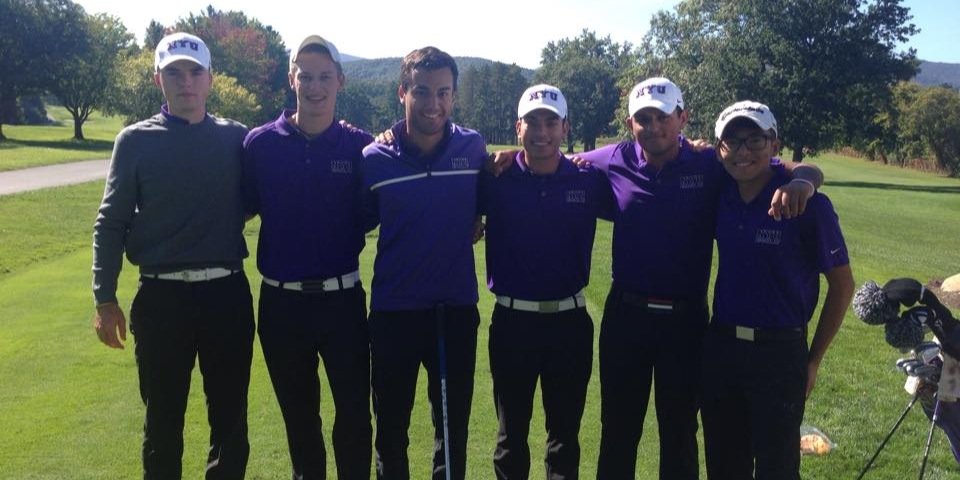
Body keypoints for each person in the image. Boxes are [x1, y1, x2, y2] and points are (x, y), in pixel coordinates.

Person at [574, 77, 823, 480]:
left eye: (663, 117)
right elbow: (554, 157)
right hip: (626, 318)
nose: (653, 126)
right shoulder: (615, 158)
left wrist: (804, 181)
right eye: (643, 118)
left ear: (683, 118)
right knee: (618, 429)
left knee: (679, 433)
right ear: (630, 122)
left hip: (685, 323)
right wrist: (508, 156)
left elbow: (795, 167)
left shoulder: (710, 163)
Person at [91, 32, 254, 479]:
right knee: (162, 421)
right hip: (162, 301)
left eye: (195, 72)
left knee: (230, 421)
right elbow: (111, 221)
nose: (186, 82)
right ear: (158, 79)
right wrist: (104, 298)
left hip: (226, 294)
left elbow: (268, 192)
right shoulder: (135, 141)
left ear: (211, 79)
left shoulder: (237, 139)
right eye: (174, 73)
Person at [241, 35, 373, 480]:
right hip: (282, 305)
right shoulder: (259, 145)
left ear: (340, 80)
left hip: (343, 301)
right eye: (305, 76)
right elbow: (240, 207)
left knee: (354, 417)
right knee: (301, 422)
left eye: (324, 77)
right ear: (291, 79)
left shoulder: (363, 148)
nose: (314, 87)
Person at [700, 100, 853, 479]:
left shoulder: (807, 205)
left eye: (755, 140)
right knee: (724, 465)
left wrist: (813, 360)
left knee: (777, 468)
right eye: (732, 142)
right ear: (720, 149)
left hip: (780, 353)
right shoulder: (721, 190)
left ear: (774, 144)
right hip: (722, 348)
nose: (743, 152)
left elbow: (843, 286)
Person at [360, 46, 488, 480]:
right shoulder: (374, 158)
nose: (433, 104)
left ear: (453, 96)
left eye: (443, 92)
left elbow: (503, 189)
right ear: (403, 93)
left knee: (451, 435)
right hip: (394, 313)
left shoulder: (473, 150)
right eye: (422, 92)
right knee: (390, 433)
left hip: (454, 314)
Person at [479, 84, 615, 479]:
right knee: (511, 437)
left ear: (565, 127)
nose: (542, 132)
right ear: (518, 127)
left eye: (551, 123)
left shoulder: (587, 180)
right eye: (533, 123)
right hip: (512, 323)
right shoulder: (495, 178)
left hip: (569, 324)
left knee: (564, 439)